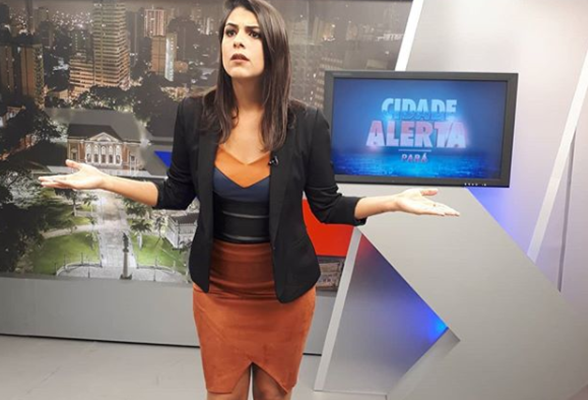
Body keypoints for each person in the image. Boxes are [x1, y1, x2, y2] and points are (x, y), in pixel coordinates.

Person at [39, 1, 459, 399]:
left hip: (284, 295)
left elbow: (328, 206)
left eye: (253, 34)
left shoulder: (305, 124)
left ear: (273, 49)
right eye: (230, 32)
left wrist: (392, 202)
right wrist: (105, 180)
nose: (238, 41)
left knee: (274, 394)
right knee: (222, 393)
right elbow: (174, 194)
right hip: (219, 294)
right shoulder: (195, 114)